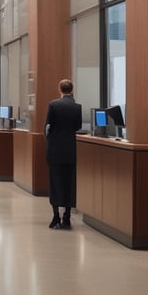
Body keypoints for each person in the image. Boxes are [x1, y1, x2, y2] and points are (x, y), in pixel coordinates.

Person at [44, 79, 82, 230]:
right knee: (69, 183)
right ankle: (67, 217)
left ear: (59, 89)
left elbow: (48, 126)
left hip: (55, 149)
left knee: (55, 182)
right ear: (72, 90)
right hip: (70, 150)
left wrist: (49, 142)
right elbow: (78, 126)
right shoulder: (77, 107)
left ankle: (55, 217)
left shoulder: (53, 105)